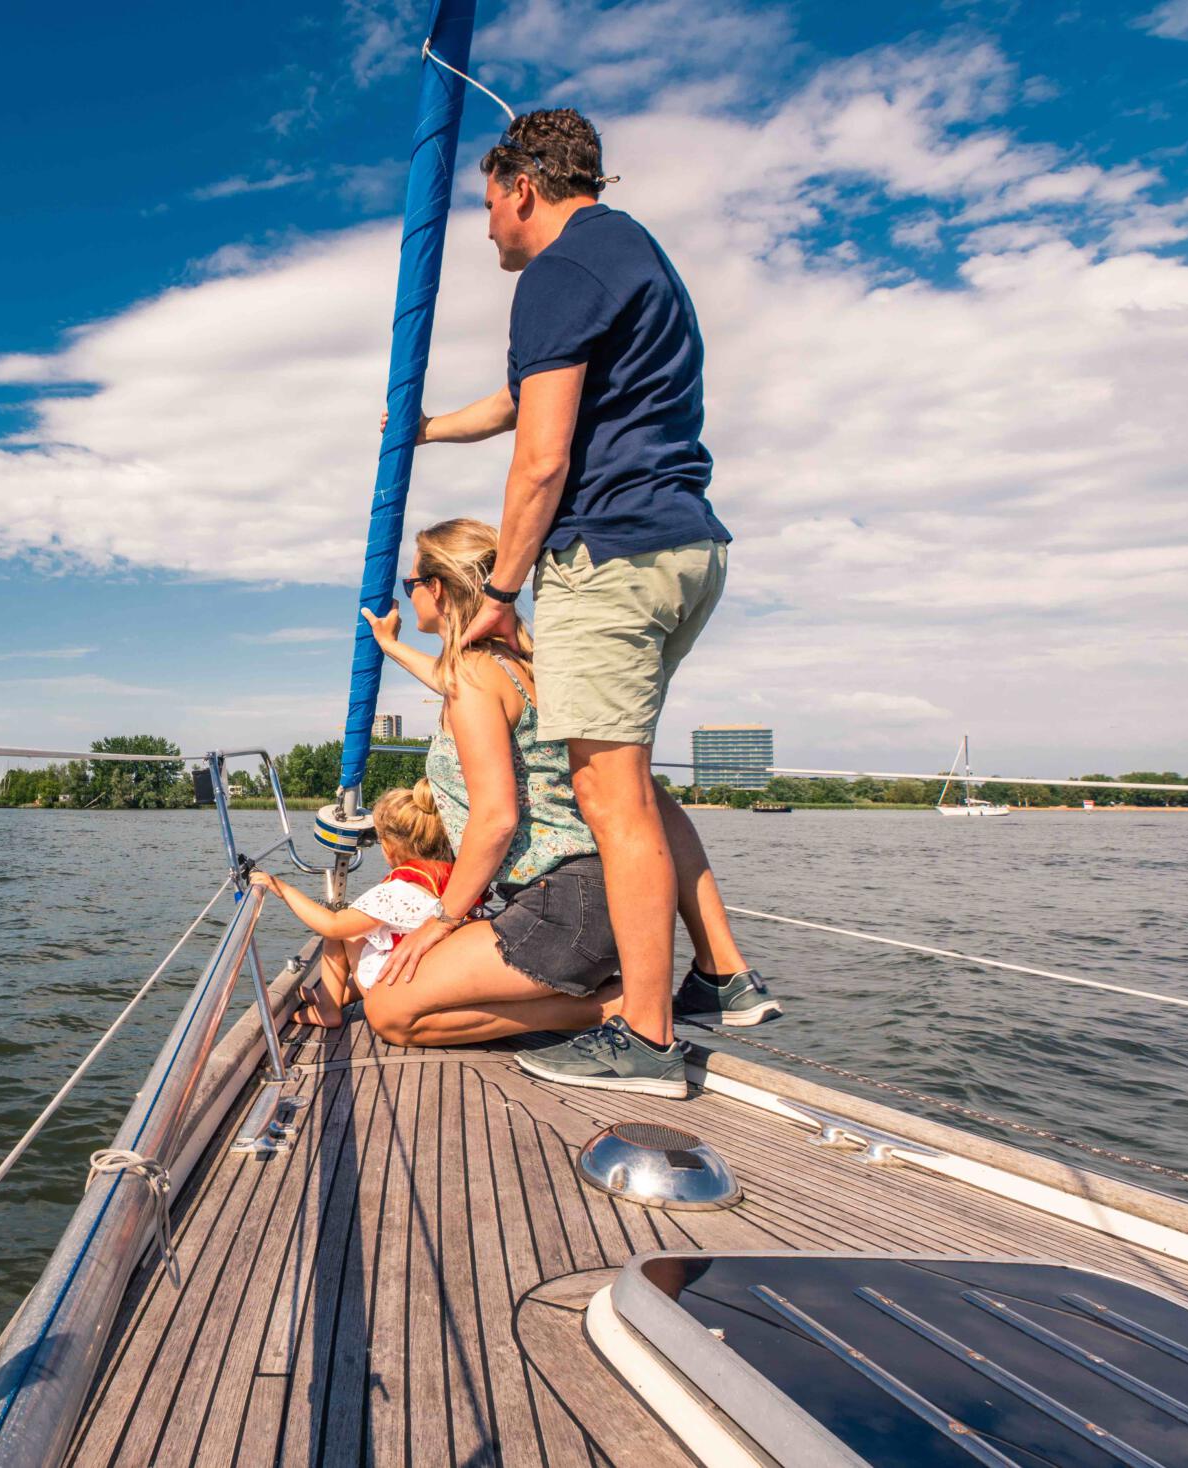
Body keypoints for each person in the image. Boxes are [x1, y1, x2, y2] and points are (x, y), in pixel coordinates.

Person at [388, 107, 741, 1094]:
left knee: (608, 797)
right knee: (625, 781)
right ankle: (718, 974)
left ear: (522, 187)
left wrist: (502, 590)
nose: (488, 227)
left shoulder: (554, 273)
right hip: (684, 545)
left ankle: (646, 1036)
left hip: (611, 551)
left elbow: (540, 457)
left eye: (489, 205)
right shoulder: (626, 255)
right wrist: (423, 432)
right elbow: (516, 404)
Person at [363, 520, 778, 1055]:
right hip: (604, 904)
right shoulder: (524, 666)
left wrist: (441, 920)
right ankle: (629, 996)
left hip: (563, 911)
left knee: (390, 1011)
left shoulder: (471, 676)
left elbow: (496, 818)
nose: (409, 593)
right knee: (405, 996)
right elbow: (457, 687)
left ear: (437, 588)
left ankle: (619, 1006)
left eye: (410, 583)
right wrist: (390, 647)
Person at [247, 781, 454, 1029]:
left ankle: (328, 1009)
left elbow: (332, 926)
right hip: (430, 983)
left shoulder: (400, 891)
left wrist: (279, 887)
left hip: (396, 993)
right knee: (370, 936)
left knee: (342, 929)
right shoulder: (455, 879)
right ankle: (336, 995)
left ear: (388, 846)